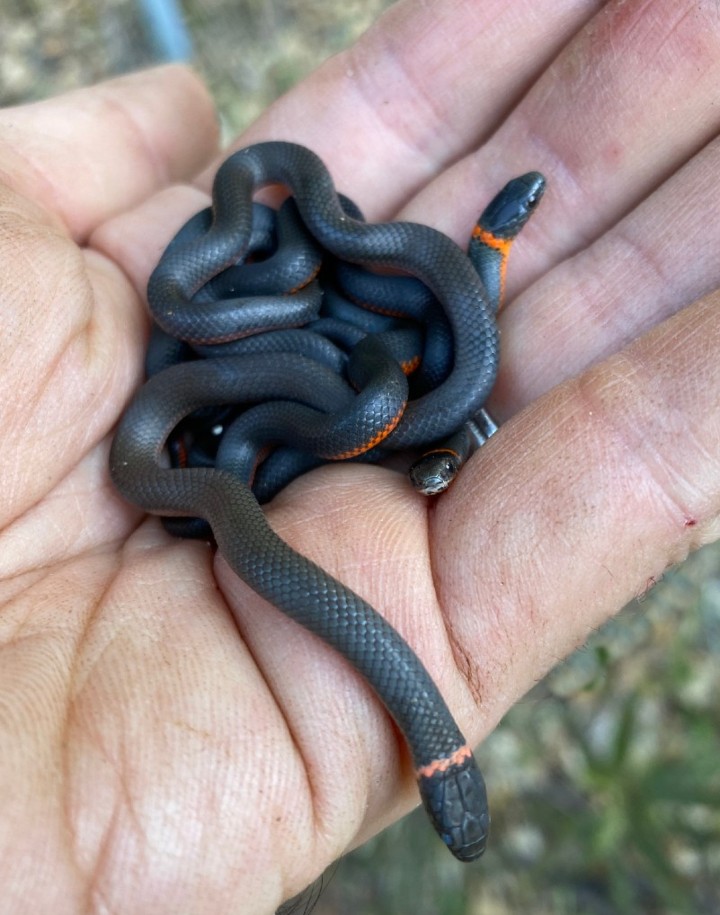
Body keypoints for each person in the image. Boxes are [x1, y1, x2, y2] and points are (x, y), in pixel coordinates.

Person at [1, 1, 718, 912]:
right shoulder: (253, 340)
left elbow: (362, 373)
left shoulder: (381, 354)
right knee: (320, 378)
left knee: (341, 371)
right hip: (307, 344)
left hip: (337, 354)